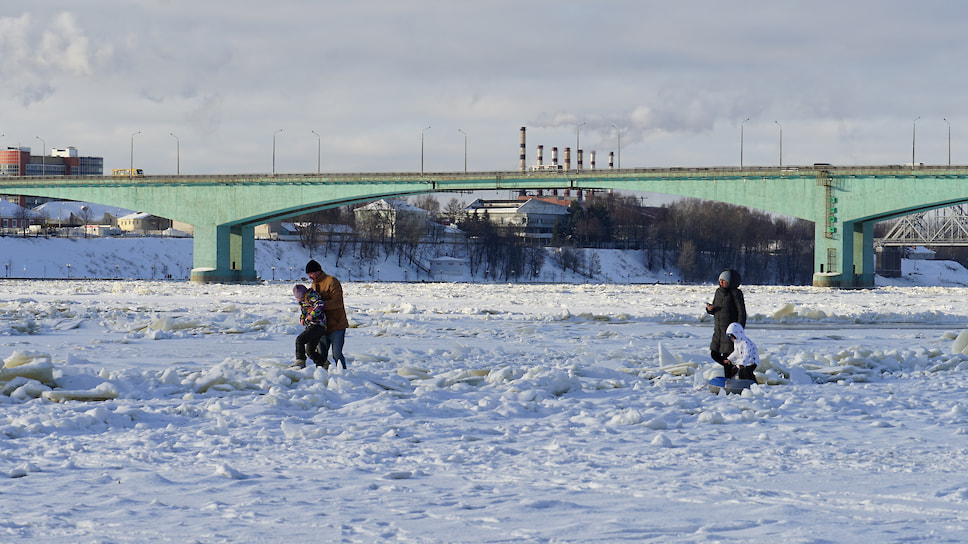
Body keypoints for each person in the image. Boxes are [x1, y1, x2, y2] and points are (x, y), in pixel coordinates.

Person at [305, 260, 348, 369]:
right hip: (322, 326)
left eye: (311, 274)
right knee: (321, 355)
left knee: (337, 354)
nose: (310, 277)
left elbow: (338, 302)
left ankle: (344, 375)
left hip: (336, 324)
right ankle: (322, 376)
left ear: (318, 271)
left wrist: (320, 306)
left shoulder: (332, 281)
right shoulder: (313, 285)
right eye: (308, 275)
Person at [705, 268, 747, 367]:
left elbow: (742, 313)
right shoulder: (718, 292)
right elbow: (716, 308)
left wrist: (738, 330)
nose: (721, 282)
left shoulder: (736, 294)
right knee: (714, 354)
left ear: (730, 282)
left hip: (730, 331)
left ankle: (729, 378)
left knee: (727, 356)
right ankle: (732, 370)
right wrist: (710, 309)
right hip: (718, 331)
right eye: (720, 280)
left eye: (724, 281)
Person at [293, 284, 327, 369]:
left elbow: (320, 304)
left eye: (299, 297)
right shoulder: (303, 301)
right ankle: (324, 364)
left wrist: (312, 315)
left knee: (300, 340)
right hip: (311, 326)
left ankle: (300, 360)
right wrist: (302, 318)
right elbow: (304, 311)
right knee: (310, 351)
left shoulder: (311, 296)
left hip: (318, 325)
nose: (298, 299)